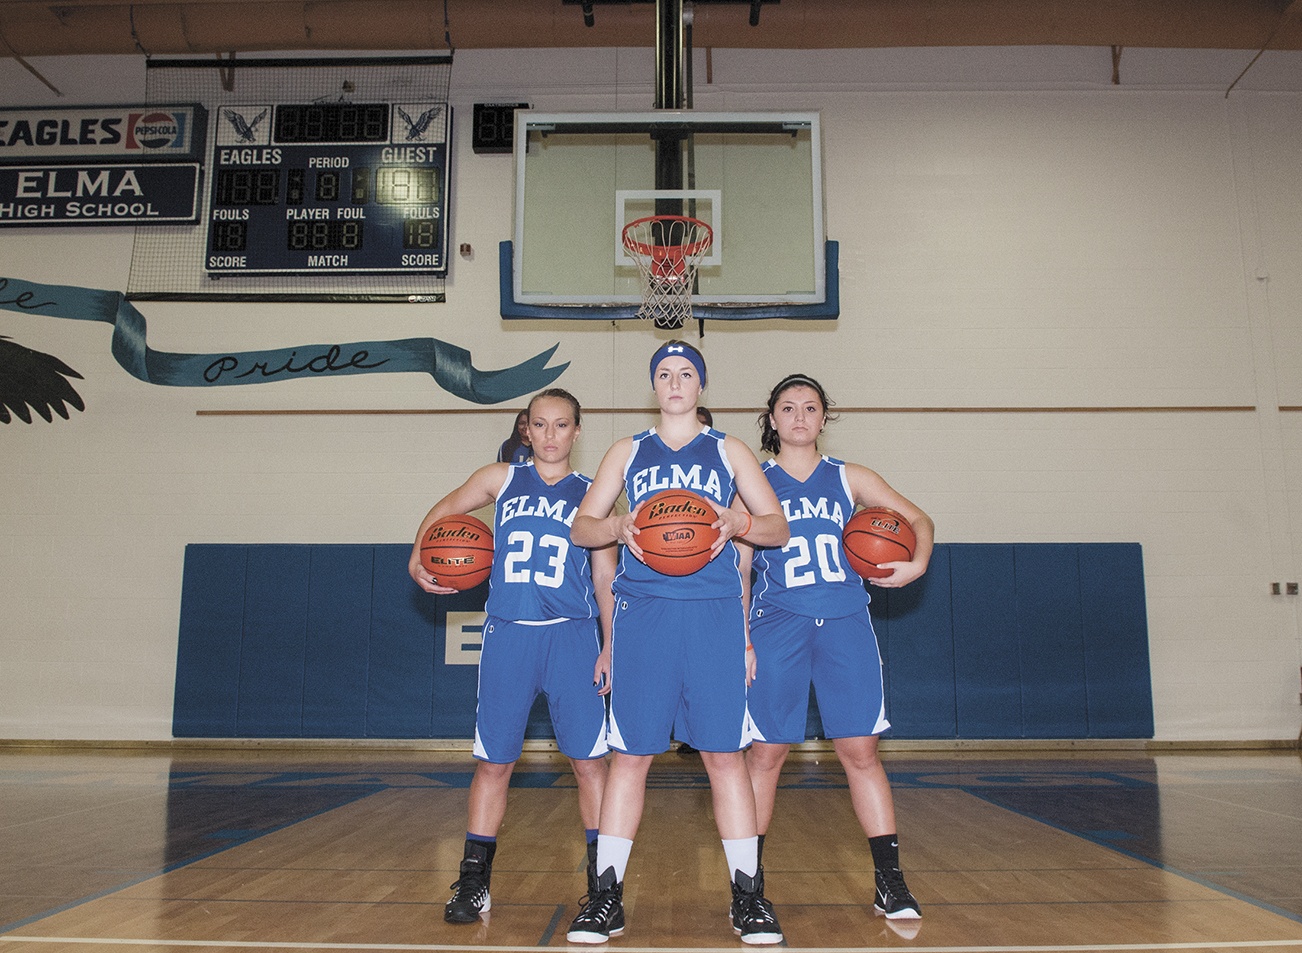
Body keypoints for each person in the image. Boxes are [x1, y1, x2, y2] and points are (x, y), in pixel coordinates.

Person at [565, 340, 790, 946]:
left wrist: (740, 522)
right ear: (653, 385)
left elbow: (777, 527)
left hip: (714, 616)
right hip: (644, 618)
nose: (674, 382)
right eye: (664, 374)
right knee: (631, 756)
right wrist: (614, 525)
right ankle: (604, 898)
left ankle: (749, 898)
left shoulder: (729, 450)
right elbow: (582, 525)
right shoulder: (627, 450)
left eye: (685, 373)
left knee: (724, 756)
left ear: (701, 385)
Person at [409, 388, 615, 925]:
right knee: (494, 763)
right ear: (526, 429)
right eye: (540, 425)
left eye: (561, 425)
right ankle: (474, 883)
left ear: (576, 430)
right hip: (508, 634)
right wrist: (417, 548)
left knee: (590, 765)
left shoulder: (593, 492)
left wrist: (611, 643)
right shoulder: (500, 479)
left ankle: (601, 886)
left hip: (572, 635)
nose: (550, 435)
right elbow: (448, 506)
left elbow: (604, 577)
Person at [739, 373, 934, 921]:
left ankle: (890, 882)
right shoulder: (754, 483)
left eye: (810, 407)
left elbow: (918, 519)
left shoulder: (850, 478)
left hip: (846, 624)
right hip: (777, 626)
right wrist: (743, 637)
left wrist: (915, 562)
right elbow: (742, 568)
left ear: (824, 418)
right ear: (772, 420)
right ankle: (749, 889)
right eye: (788, 408)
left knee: (861, 753)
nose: (799, 416)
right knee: (766, 755)